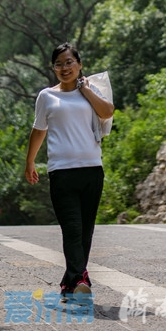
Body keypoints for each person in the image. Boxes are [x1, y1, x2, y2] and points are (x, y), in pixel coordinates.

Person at [25, 42, 114, 300]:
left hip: (92, 170)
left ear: (79, 64)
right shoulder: (47, 96)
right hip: (61, 172)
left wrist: (85, 90)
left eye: (69, 62)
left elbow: (107, 112)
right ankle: (80, 279)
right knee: (72, 228)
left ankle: (70, 283)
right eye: (59, 64)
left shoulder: (91, 90)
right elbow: (39, 129)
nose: (64, 68)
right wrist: (30, 162)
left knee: (85, 231)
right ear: (53, 68)